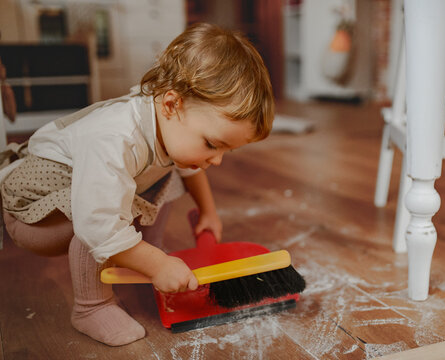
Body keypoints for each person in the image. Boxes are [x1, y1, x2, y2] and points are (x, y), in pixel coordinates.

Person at [0, 23, 274, 346]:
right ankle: (92, 306)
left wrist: (208, 212)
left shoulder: (169, 125)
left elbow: (188, 167)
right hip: (32, 212)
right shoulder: (117, 137)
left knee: (171, 169)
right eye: (213, 145)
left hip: (80, 201)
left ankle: (138, 251)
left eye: (228, 150)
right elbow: (96, 222)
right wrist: (157, 265)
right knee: (104, 213)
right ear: (172, 104)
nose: (217, 160)